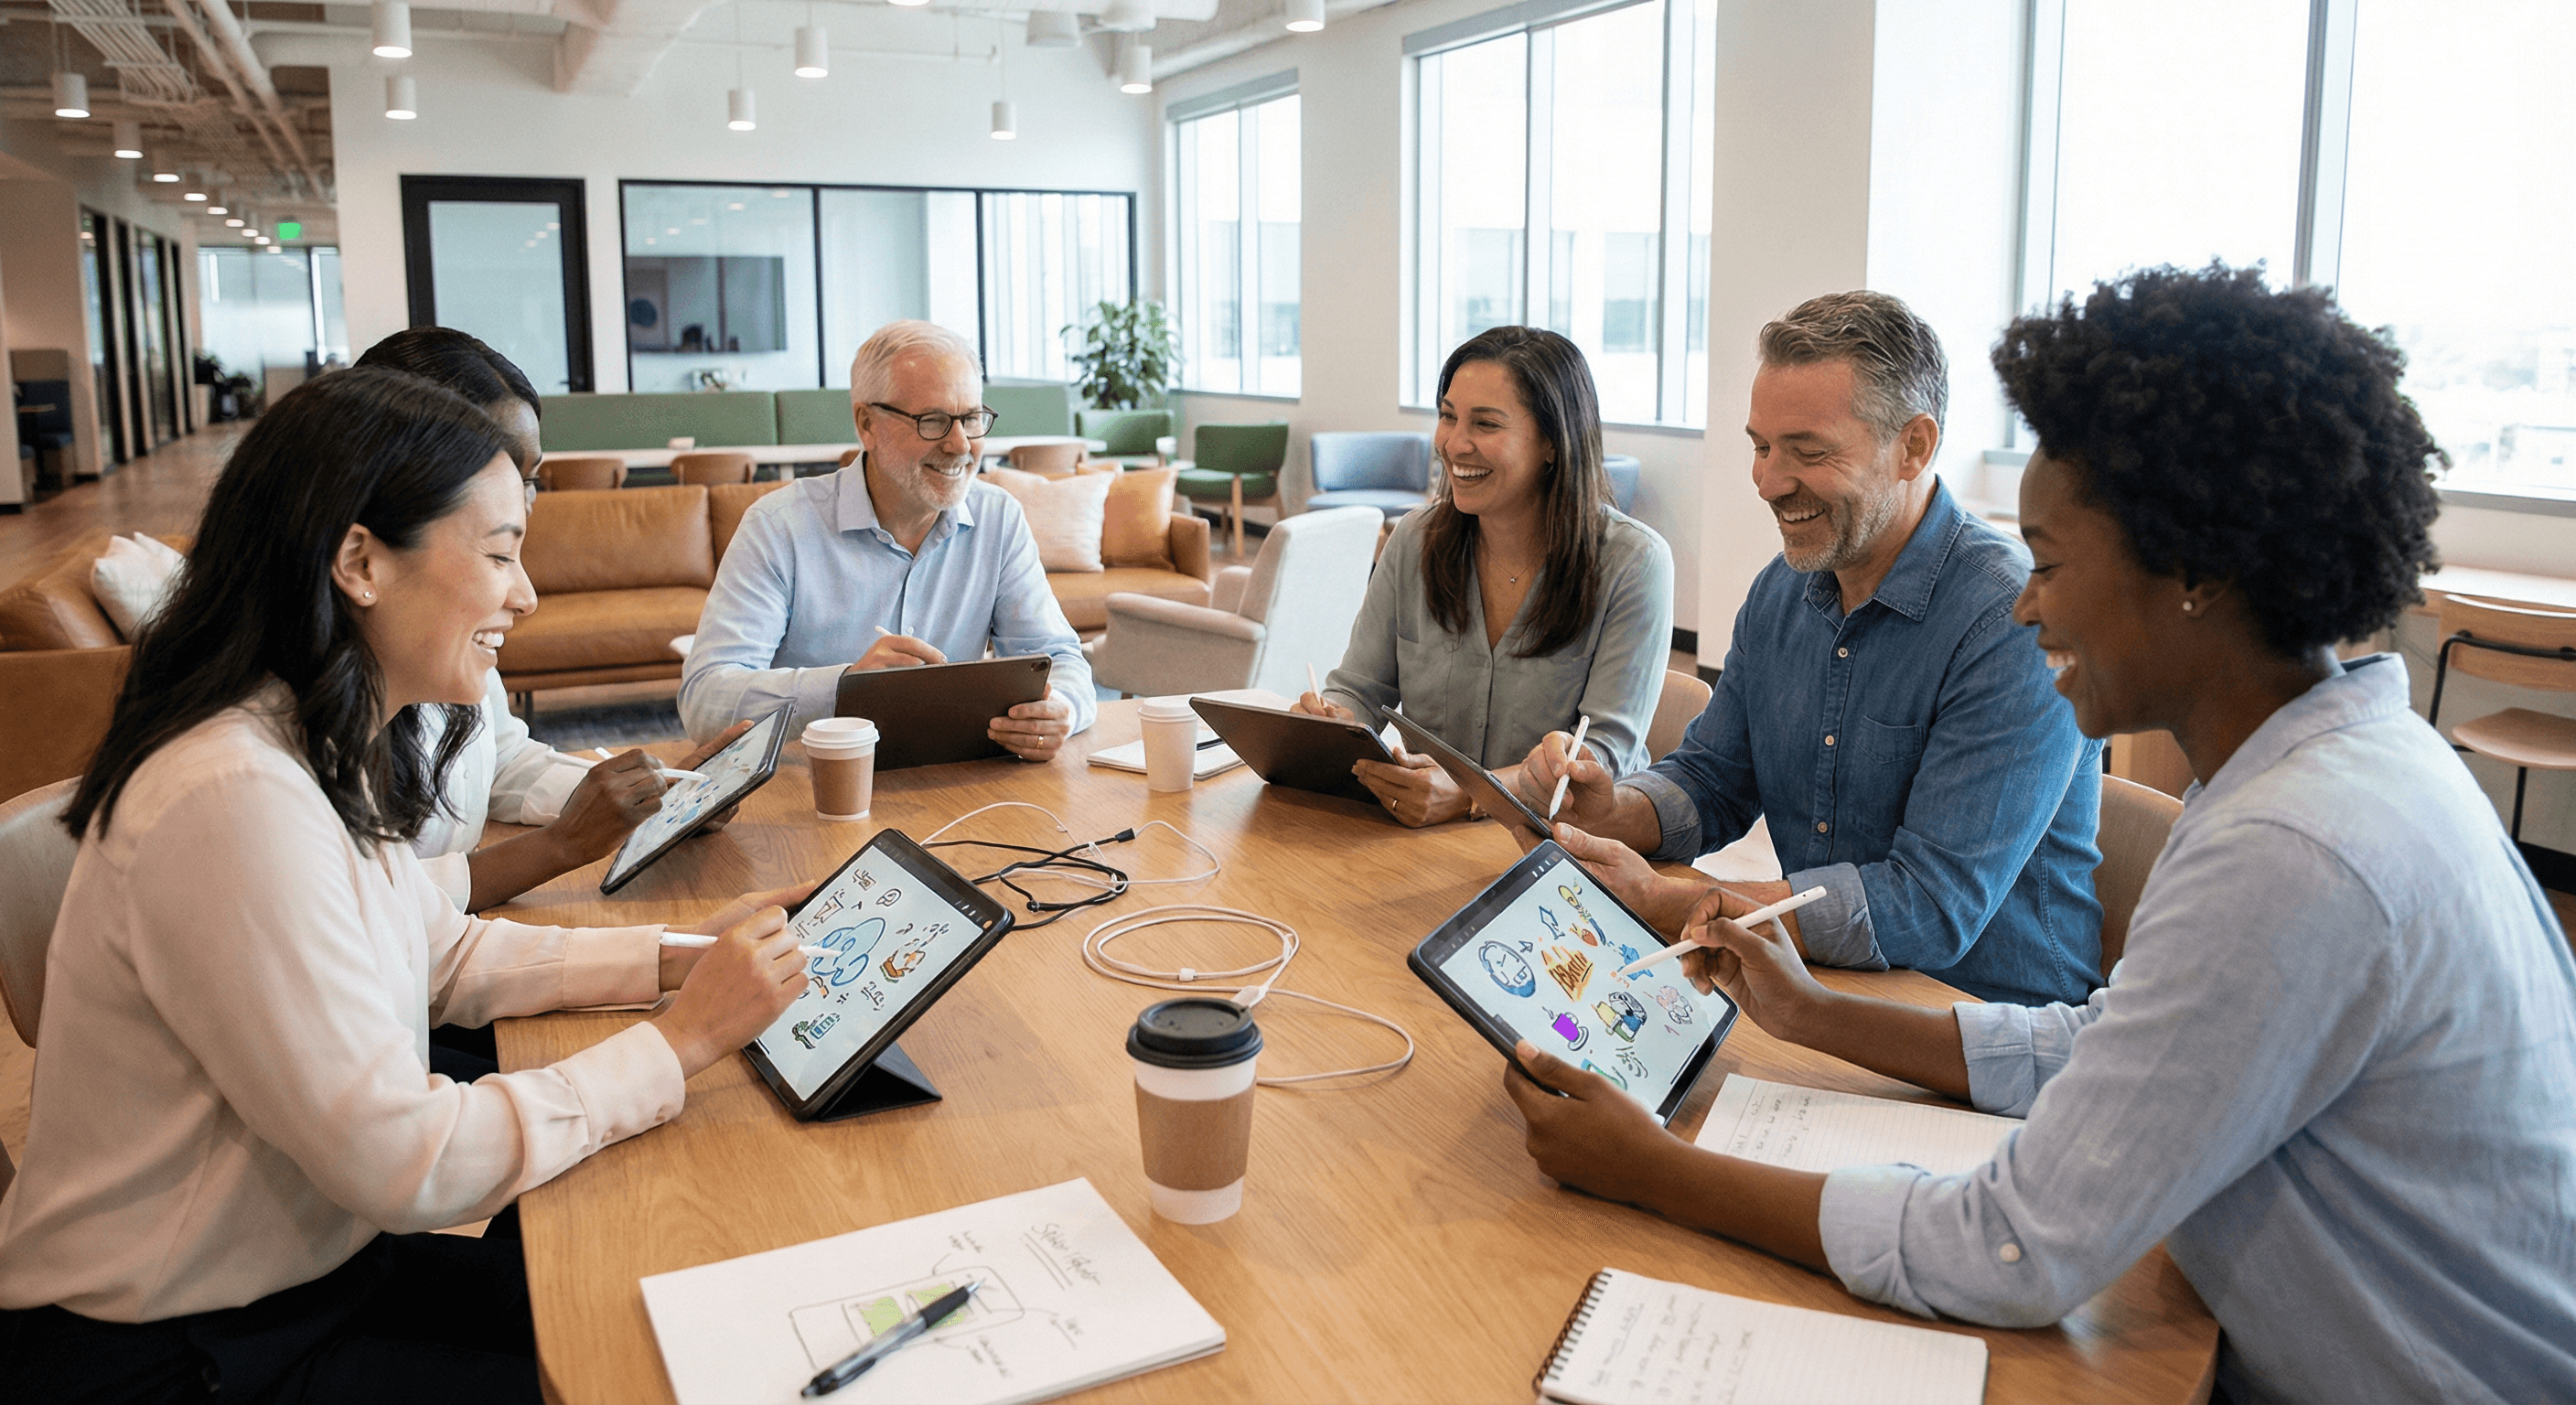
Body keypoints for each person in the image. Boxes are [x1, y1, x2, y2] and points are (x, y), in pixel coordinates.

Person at [1503, 265, 2576, 1404]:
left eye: (2052, 565)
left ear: (2193, 574)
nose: (2026, 603)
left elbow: (2010, 1251)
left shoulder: (2290, 849)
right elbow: (2101, 1048)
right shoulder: (2328, 764)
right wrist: (1813, 1015)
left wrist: (1656, 1170)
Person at [0, 369, 813, 1401]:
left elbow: (443, 948)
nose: (525, 593)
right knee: (645, 1370)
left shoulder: (315, 742)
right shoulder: (232, 797)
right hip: (176, 1346)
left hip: (300, 1269)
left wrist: (683, 960)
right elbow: (402, 1160)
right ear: (360, 563)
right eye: (501, 553)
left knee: (661, 1304)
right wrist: (682, 1040)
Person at [1522, 291, 2102, 1006]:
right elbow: (1712, 779)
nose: (1768, 483)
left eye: (1809, 452)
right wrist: (1613, 813)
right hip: (1816, 981)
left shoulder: (2012, 620)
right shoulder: (1782, 591)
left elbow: (1930, 904)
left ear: (1914, 448)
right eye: (1762, 447)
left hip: (1979, 1015)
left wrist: (1675, 903)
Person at [353, 327, 750, 916]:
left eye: (530, 475)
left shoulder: (451, 632)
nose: (517, 497)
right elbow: (377, 913)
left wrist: (647, 795)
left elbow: (501, 760)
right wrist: (561, 845)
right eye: (495, 470)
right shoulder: (291, 746)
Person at [1293, 327, 1673, 827]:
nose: (1454, 444)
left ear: (1553, 443)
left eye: (1486, 424)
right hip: (1425, 837)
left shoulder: (1634, 563)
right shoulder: (1414, 540)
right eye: (1448, 416)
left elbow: (1601, 754)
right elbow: (1360, 689)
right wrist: (1332, 719)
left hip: (1563, 843)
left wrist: (1471, 793)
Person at [678, 320, 1092, 756]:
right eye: (933, 421)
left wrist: (1061, 708)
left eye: (971, 418)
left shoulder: (998, 518)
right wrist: (846, 689)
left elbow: (1061, 659)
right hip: (815, 780)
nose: (960, 445)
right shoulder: (779, 527)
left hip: (956, 779)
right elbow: (705, 701)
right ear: (866, 424)